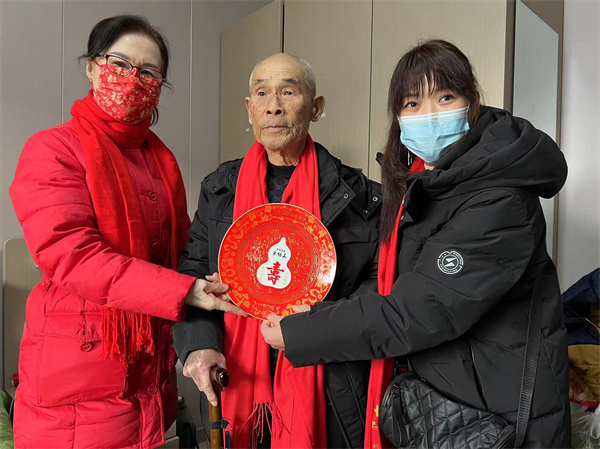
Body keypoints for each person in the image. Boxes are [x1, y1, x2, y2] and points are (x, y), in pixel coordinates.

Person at [262, 40, 571, 448]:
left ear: (472, 102)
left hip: (500, 421)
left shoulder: (499, 200)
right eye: (412, 103)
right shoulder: (425, 184)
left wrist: (306, 332)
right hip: (446, 406)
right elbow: (395, 283)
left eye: (445, 97)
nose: (429, 114)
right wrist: (315, 313)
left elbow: (420, 310)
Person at [9, 15, 244, 449]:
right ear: (92, 67)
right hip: (76, 384)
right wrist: (187, 290)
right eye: (119, 63)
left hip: (148, 378)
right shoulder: (53, 148)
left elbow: (182, 252)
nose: (133, 80)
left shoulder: (160, 160)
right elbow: (73, 256)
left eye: (149, 72)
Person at [174, 53, 381, 448]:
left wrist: (315, 326)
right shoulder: (220, 189)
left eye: (288, 92)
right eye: (262, 93)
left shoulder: (361, 198)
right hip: (237, 378)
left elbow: (378, 289)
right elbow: (193, 273)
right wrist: (199, 345)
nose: (273, 106)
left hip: (330, 390)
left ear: (315, 108)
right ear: (249, 109)